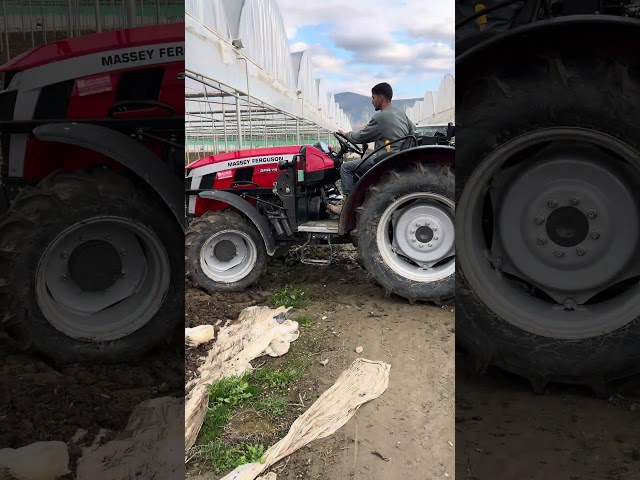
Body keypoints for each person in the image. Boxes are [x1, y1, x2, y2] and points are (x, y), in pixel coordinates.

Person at [327, 82, 415, 215]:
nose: (372, 101)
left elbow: (359, 137)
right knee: (356, 168)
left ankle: (346, 208)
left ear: (381, 98)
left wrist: (345, 134)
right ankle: (359, 200)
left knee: (346, 168)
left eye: (373, 97)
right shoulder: (400, 113)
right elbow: (413, 130)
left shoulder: (381, 117)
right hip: (397, 156)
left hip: (384, 158)